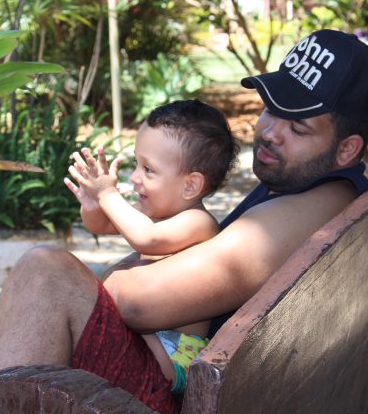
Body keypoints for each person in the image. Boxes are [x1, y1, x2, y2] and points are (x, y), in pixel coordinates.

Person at [0, 29, 368, 414]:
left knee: (46, 275)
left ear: (347, 149)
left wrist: (98, 281)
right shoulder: (300, 187)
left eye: (297, 127)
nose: (269, 131)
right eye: (269, 109)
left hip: (183, 398)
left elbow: (139, 302)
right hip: (207, 388)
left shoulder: (319, 206)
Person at [62, 99, 239, 395]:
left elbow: (146, 239)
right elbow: (102, 225)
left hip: (175, 351)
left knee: (91, 338)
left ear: (190, 185)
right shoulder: (154, 213)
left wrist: (108, 195)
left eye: (148, 169)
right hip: (152, 337)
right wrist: (93, 205)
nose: (134, 178)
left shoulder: (198, 221)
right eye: (136, 164)